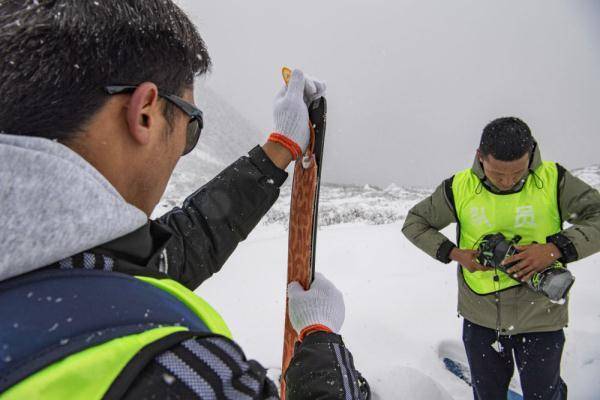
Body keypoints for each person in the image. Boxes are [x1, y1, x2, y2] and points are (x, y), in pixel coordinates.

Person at [0, 1, 369, 399]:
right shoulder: (179, 375)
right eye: (191, 127)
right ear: (145, 113)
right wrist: (320, 341)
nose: (181, 148)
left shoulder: (46, 257)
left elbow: (172, 250)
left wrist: (278, 149)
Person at [402, 117, 600, 399]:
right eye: (498, 174)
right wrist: (457, 254)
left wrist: (554, 249)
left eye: (517, 173)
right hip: (482, 319)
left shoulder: (554, 179)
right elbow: (415, 223)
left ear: (530, 155)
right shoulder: (459, 187)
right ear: (480, 157)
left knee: (545, 395)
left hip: (541, 317)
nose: (508, 182)